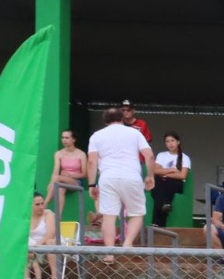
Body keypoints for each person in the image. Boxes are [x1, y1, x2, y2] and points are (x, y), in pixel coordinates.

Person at [86, 107, 155, 252]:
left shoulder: (96, 136)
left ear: (105, 121)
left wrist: (92, 184)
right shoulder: (134, 133)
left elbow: (92, 161)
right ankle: (127, 244)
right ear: (122, 118)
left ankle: (110, 253)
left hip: (108, 177)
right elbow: (149, 156)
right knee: (136, 213)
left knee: (109, 216)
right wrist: (150, 176)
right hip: (132, 176)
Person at [150, 132, 190, 228]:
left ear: (178, 142)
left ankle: (156, 221)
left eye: (172, 140)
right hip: (161, 182)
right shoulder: (161, 155)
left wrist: (164, 173)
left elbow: (182, 176)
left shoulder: (185, 157)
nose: (170, 143)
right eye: (167, 141)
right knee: (157, 183)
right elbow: (155, 170)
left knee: (159, 190)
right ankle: (164, 206)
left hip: (176, 184)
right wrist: (171, 170)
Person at [43, 129, 87, 209]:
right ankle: (58, 218)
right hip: (62, 180)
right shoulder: (58, 154)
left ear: (73, 139)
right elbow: (55, 171)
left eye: (67, 138)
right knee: (60, 189)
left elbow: (84, 174)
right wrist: (51, 183)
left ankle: (45, 204)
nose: (64, 140)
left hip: (76, 182)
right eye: (62, 138)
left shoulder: (81, 154)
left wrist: (71, 175)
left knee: (57, 178)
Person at [27, 192, 61, 279]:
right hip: (32, 245)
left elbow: (51, 233)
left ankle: (55, 277)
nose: (41, 207)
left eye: (42, 203)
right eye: (37, 204)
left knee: (50, 242)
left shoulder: (48, 214)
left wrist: (37, 245)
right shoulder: (26, 217)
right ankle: (27, 278)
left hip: (50, 243)